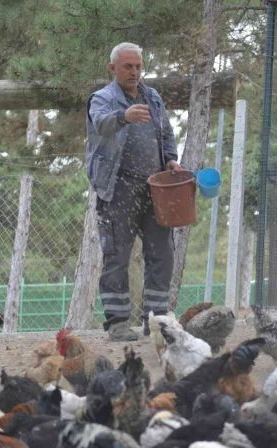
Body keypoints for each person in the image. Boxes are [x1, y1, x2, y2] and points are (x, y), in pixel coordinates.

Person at [85, 42, 182, 341]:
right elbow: (100, 124)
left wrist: (170, 159)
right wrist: (124, 116)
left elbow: (166, 132)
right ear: (113, 68)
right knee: (117, 255)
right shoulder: (102, 99)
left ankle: (156, 320)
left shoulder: (152, 97)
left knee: (162, 253)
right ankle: (117, 323)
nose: (135, 72)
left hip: (154, 188)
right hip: (118, 188)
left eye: (138, 66)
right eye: (128, 66)